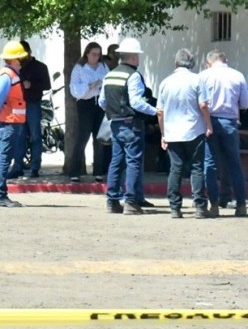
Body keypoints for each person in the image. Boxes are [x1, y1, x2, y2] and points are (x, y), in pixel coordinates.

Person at [98, 37, 157, 215]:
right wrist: (156, 111)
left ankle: (112, 201)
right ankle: (131, 201)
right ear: (133, 57)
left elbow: (102, 101)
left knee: (116, 161)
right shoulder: (133, 75)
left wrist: (114, 111)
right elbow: (137, 103)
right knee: (133, 162)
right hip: (131, 124)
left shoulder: (110, 75)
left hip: (115, 123)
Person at [156, 48, 212, 219]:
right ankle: (200, 207)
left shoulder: (165, 82)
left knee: (175, 169)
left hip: (173, 132)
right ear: (192, 64)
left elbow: (160, 111)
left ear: (176, 63)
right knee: (196, 168)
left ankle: (175, 207)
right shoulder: (197, 80)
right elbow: (203, 105)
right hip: (194, 130)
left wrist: (163, 133)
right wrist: (208, 124)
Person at [199, 49, 248, 217]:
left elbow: (200, 102)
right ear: (225, 60)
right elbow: (244, 104)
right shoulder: (238, 76)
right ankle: (241, 204)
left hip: (210, 121)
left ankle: (214, 205)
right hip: (230, 122)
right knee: (234, 163)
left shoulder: (204, 76)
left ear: (208, 62)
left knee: (210, 164)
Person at [0, 41, 29, 208]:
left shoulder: (9, 74)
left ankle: (0, 194)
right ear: (16, 59)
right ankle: (0, 195)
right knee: (4, 159)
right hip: (9, 123)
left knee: (4, 158)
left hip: (12, 123)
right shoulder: (7, 76)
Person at [68, 42, 109, 182]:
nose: (96, 57)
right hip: (86, 103)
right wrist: (89, 86)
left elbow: (108, 82)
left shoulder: (103, 67)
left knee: (99, 138)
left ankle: (98, 171)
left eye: (98, 54)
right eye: (93, 54)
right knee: (83, 136)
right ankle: (74, 171)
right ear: (87, 54)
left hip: (100, 104)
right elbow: (74, 88)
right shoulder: (79, 68)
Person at [10, 40, 51, 178]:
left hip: (33, 103)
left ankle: (35, 167)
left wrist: (31, 84)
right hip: (18, 104)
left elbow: (47, 85)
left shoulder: (40, 67)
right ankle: (17, 166)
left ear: (29, 52)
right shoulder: (16, 68)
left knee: (35, 136)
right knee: (19, 136)